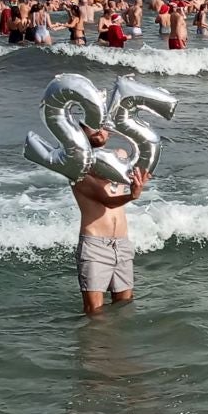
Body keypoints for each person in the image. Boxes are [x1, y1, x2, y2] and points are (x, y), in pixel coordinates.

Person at [73, 131, 150, 316]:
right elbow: (107, 199)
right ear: (82, 131)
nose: (99, 131)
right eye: (92, 126)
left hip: (122, 244)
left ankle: (117, 344)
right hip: (95, 247)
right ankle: (94, 345)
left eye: (102, 125)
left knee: (125, 306)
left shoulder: (120, 157)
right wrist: (133, 194)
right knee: (95, 312)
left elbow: (138, 152)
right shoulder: (77, 168)